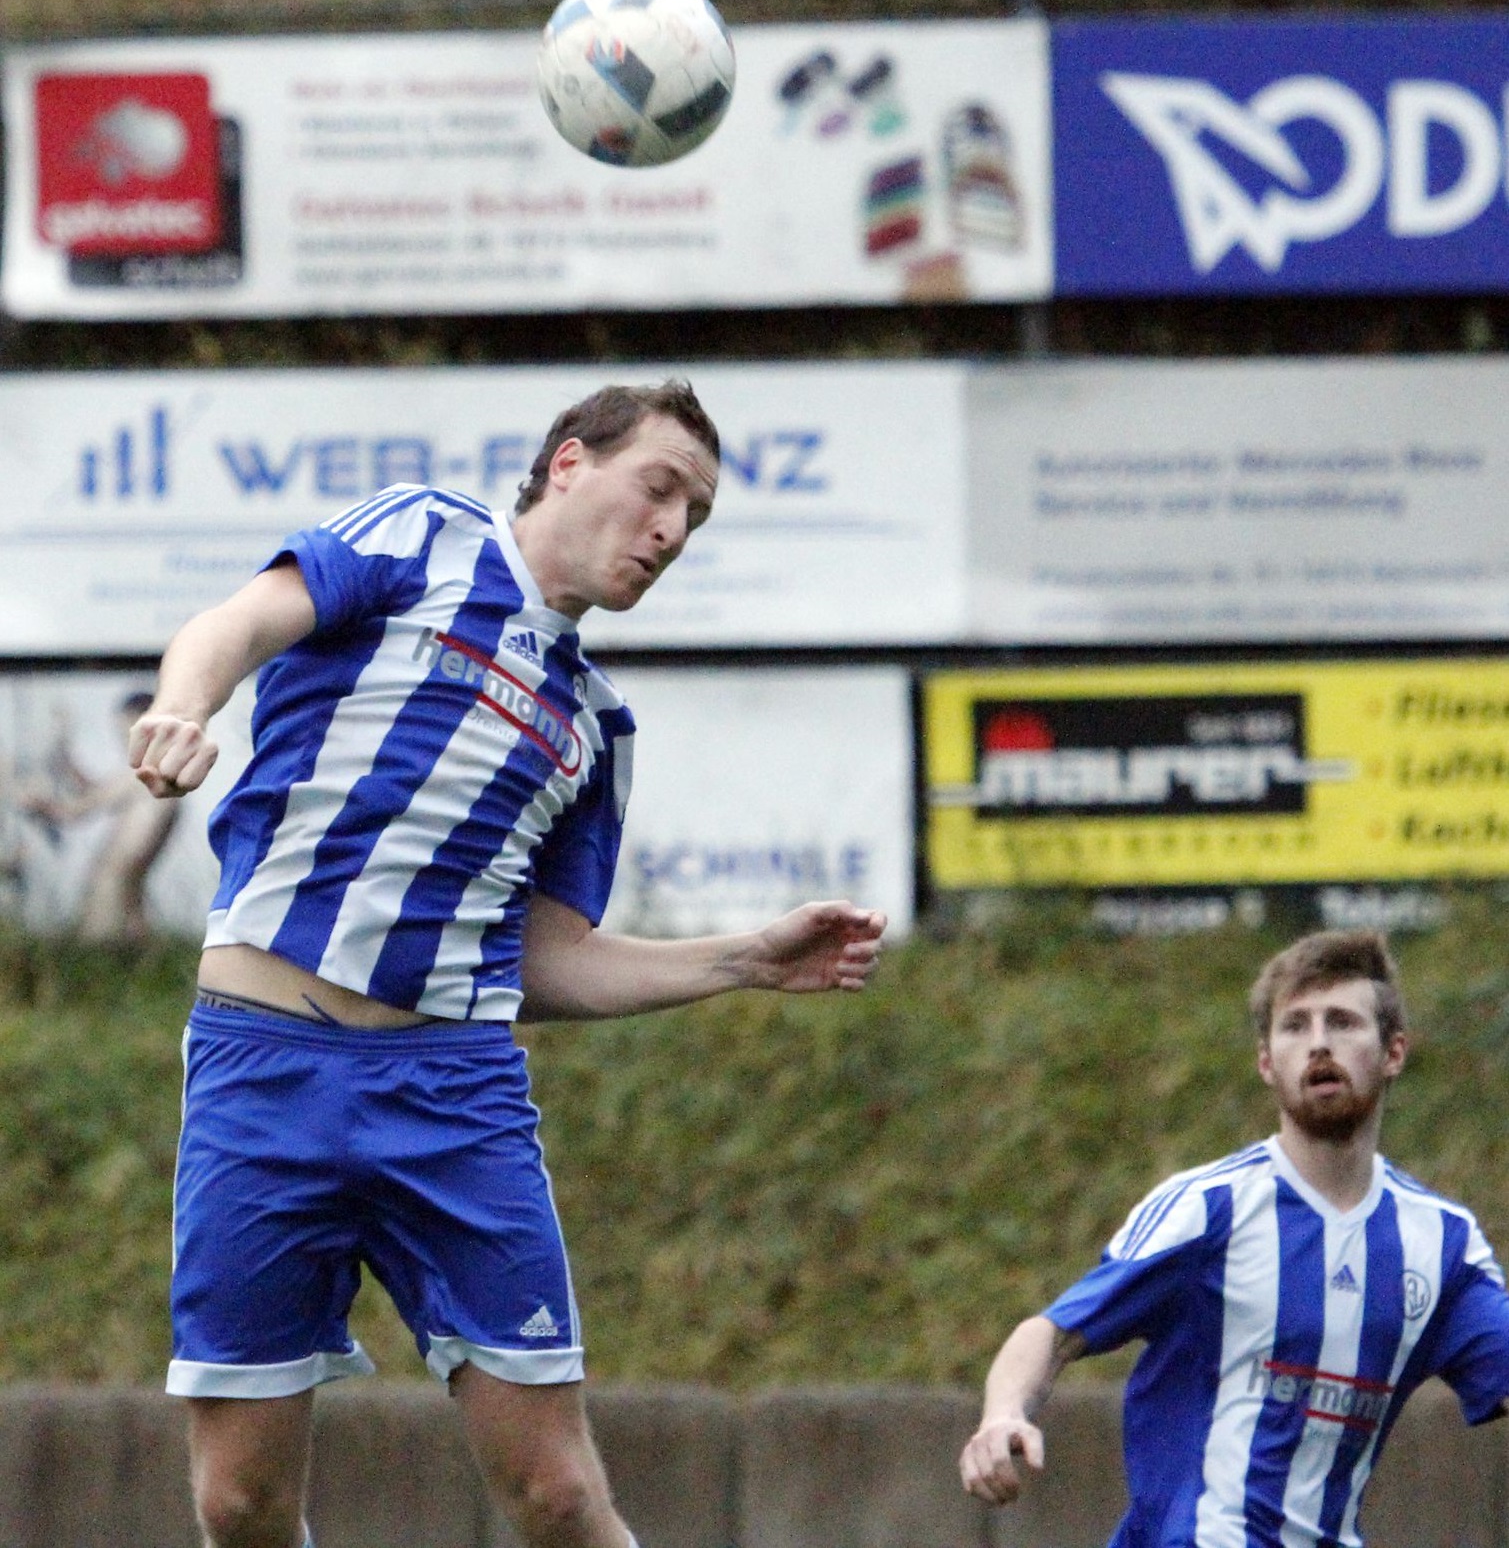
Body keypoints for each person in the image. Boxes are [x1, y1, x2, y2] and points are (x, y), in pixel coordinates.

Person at [128, 379, 887, 1548]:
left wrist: (745, 957)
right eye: (660, 488)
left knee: (561, 1494)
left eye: (696, 516)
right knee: (240, 1501)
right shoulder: (423, 534)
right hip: (261, 1065)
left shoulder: (591, 721)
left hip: (453, 1093)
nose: (673, 531)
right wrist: (184, 707)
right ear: (570, 463)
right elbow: (233, 624)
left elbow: (548, 963)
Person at [959, 929, 1509, 1548]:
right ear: (1267, 1063)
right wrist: (1004, 1414)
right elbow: (1052, 1332)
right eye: (1295, 1025)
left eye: (1344, 1022)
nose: (1319, 1042)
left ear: (1394, 1052)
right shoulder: (1208, 1208)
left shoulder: (1441, 1242)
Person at [22, 689, 181, 943]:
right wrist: (65, 757)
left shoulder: (146, 776)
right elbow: (98, 791)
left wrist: (36, 804)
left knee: (95, 961)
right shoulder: (162, 778)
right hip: (127, 891)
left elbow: (75, 811)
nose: (123, 740)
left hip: (112, 890)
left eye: (127, 731)